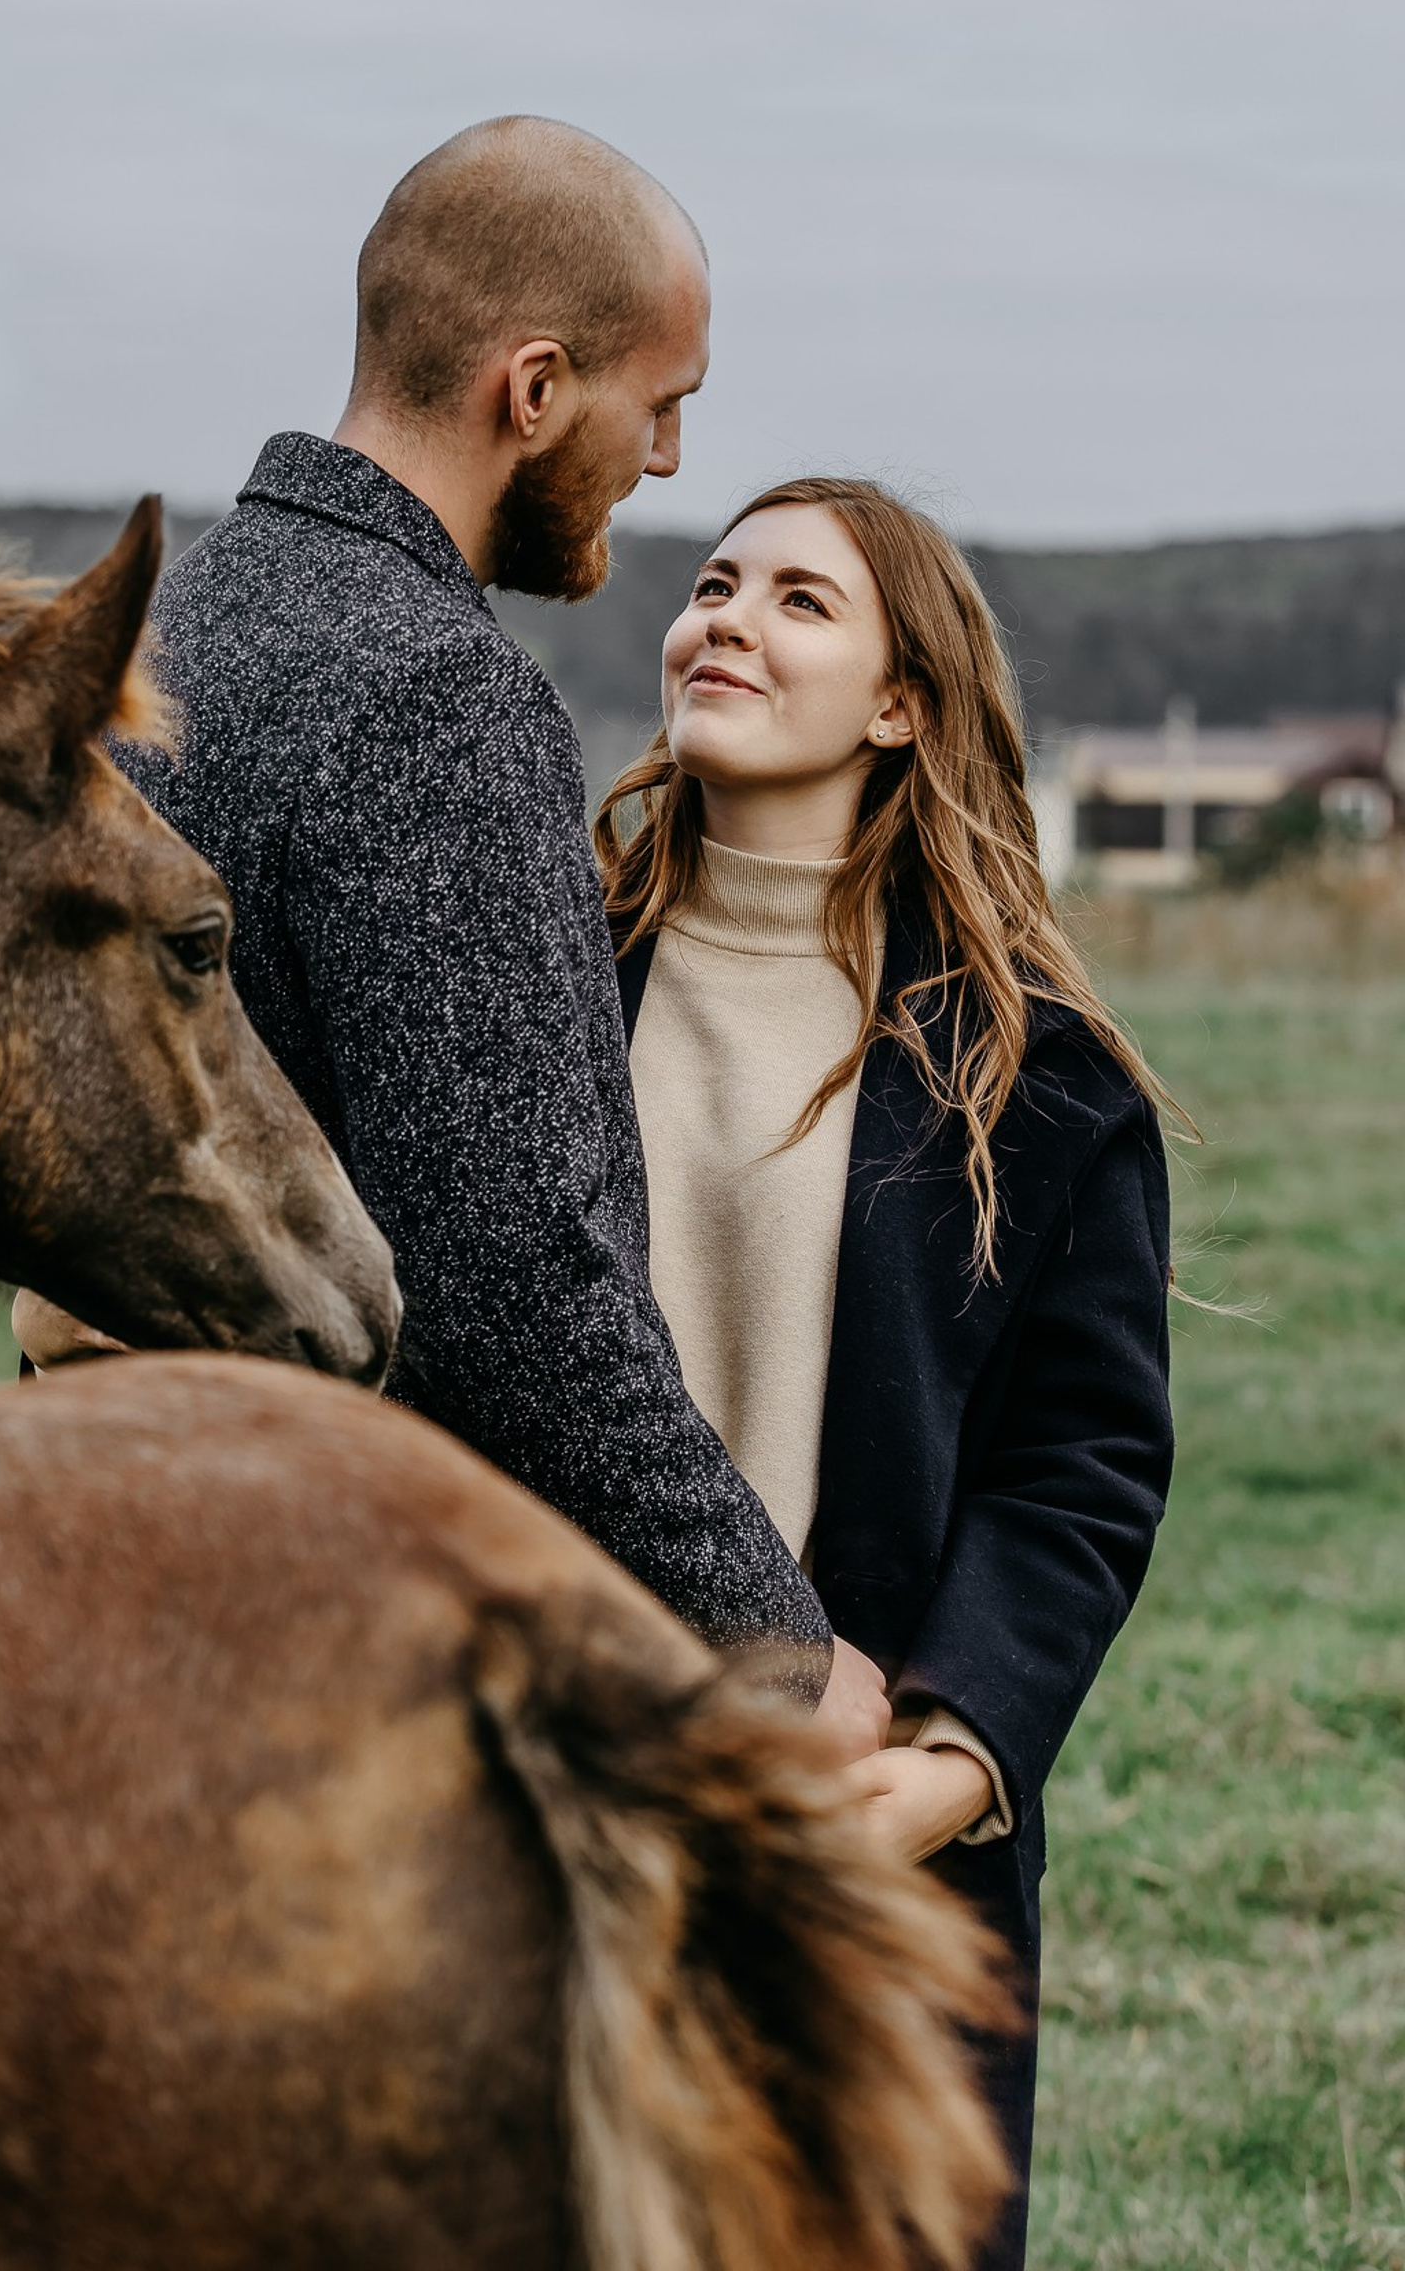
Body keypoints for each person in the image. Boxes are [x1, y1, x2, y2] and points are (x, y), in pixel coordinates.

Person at [18, 115, 889, 1751]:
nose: (671, 462)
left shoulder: (178, 624)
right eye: (663, 403)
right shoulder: (440, 695)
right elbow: (507, 1269)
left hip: (112, 1551)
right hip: (346, 1649)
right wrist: (768, 1638)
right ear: (537, 388)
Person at [595, 471, 1175, 2271]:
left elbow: (1079, 1470)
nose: (728, 622)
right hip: (571, 1784)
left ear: (904, 699)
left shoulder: (1041, 1072)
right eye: (712, 584)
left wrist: (949, 1762)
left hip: (866, 1835)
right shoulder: (547, 978)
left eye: (799, 601)